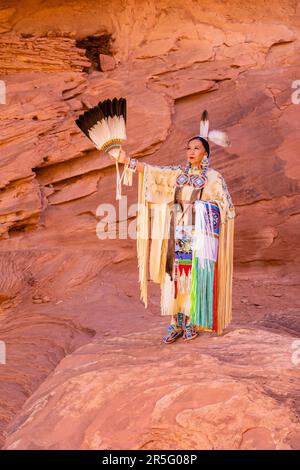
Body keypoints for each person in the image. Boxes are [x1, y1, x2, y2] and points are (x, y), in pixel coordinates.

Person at [108, 110, 236, 344]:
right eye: (188, 148)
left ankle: (190, 320)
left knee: (190, 276)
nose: (191, 152)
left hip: (197, 235)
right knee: (174, 275)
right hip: (176, 232)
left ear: (206, 152)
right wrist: (126, 160)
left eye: (196, 148)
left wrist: (202, 208)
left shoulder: (213, 178)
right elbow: (153, 172)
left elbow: (225, 207)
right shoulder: (177, 175)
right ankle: (175, 321)